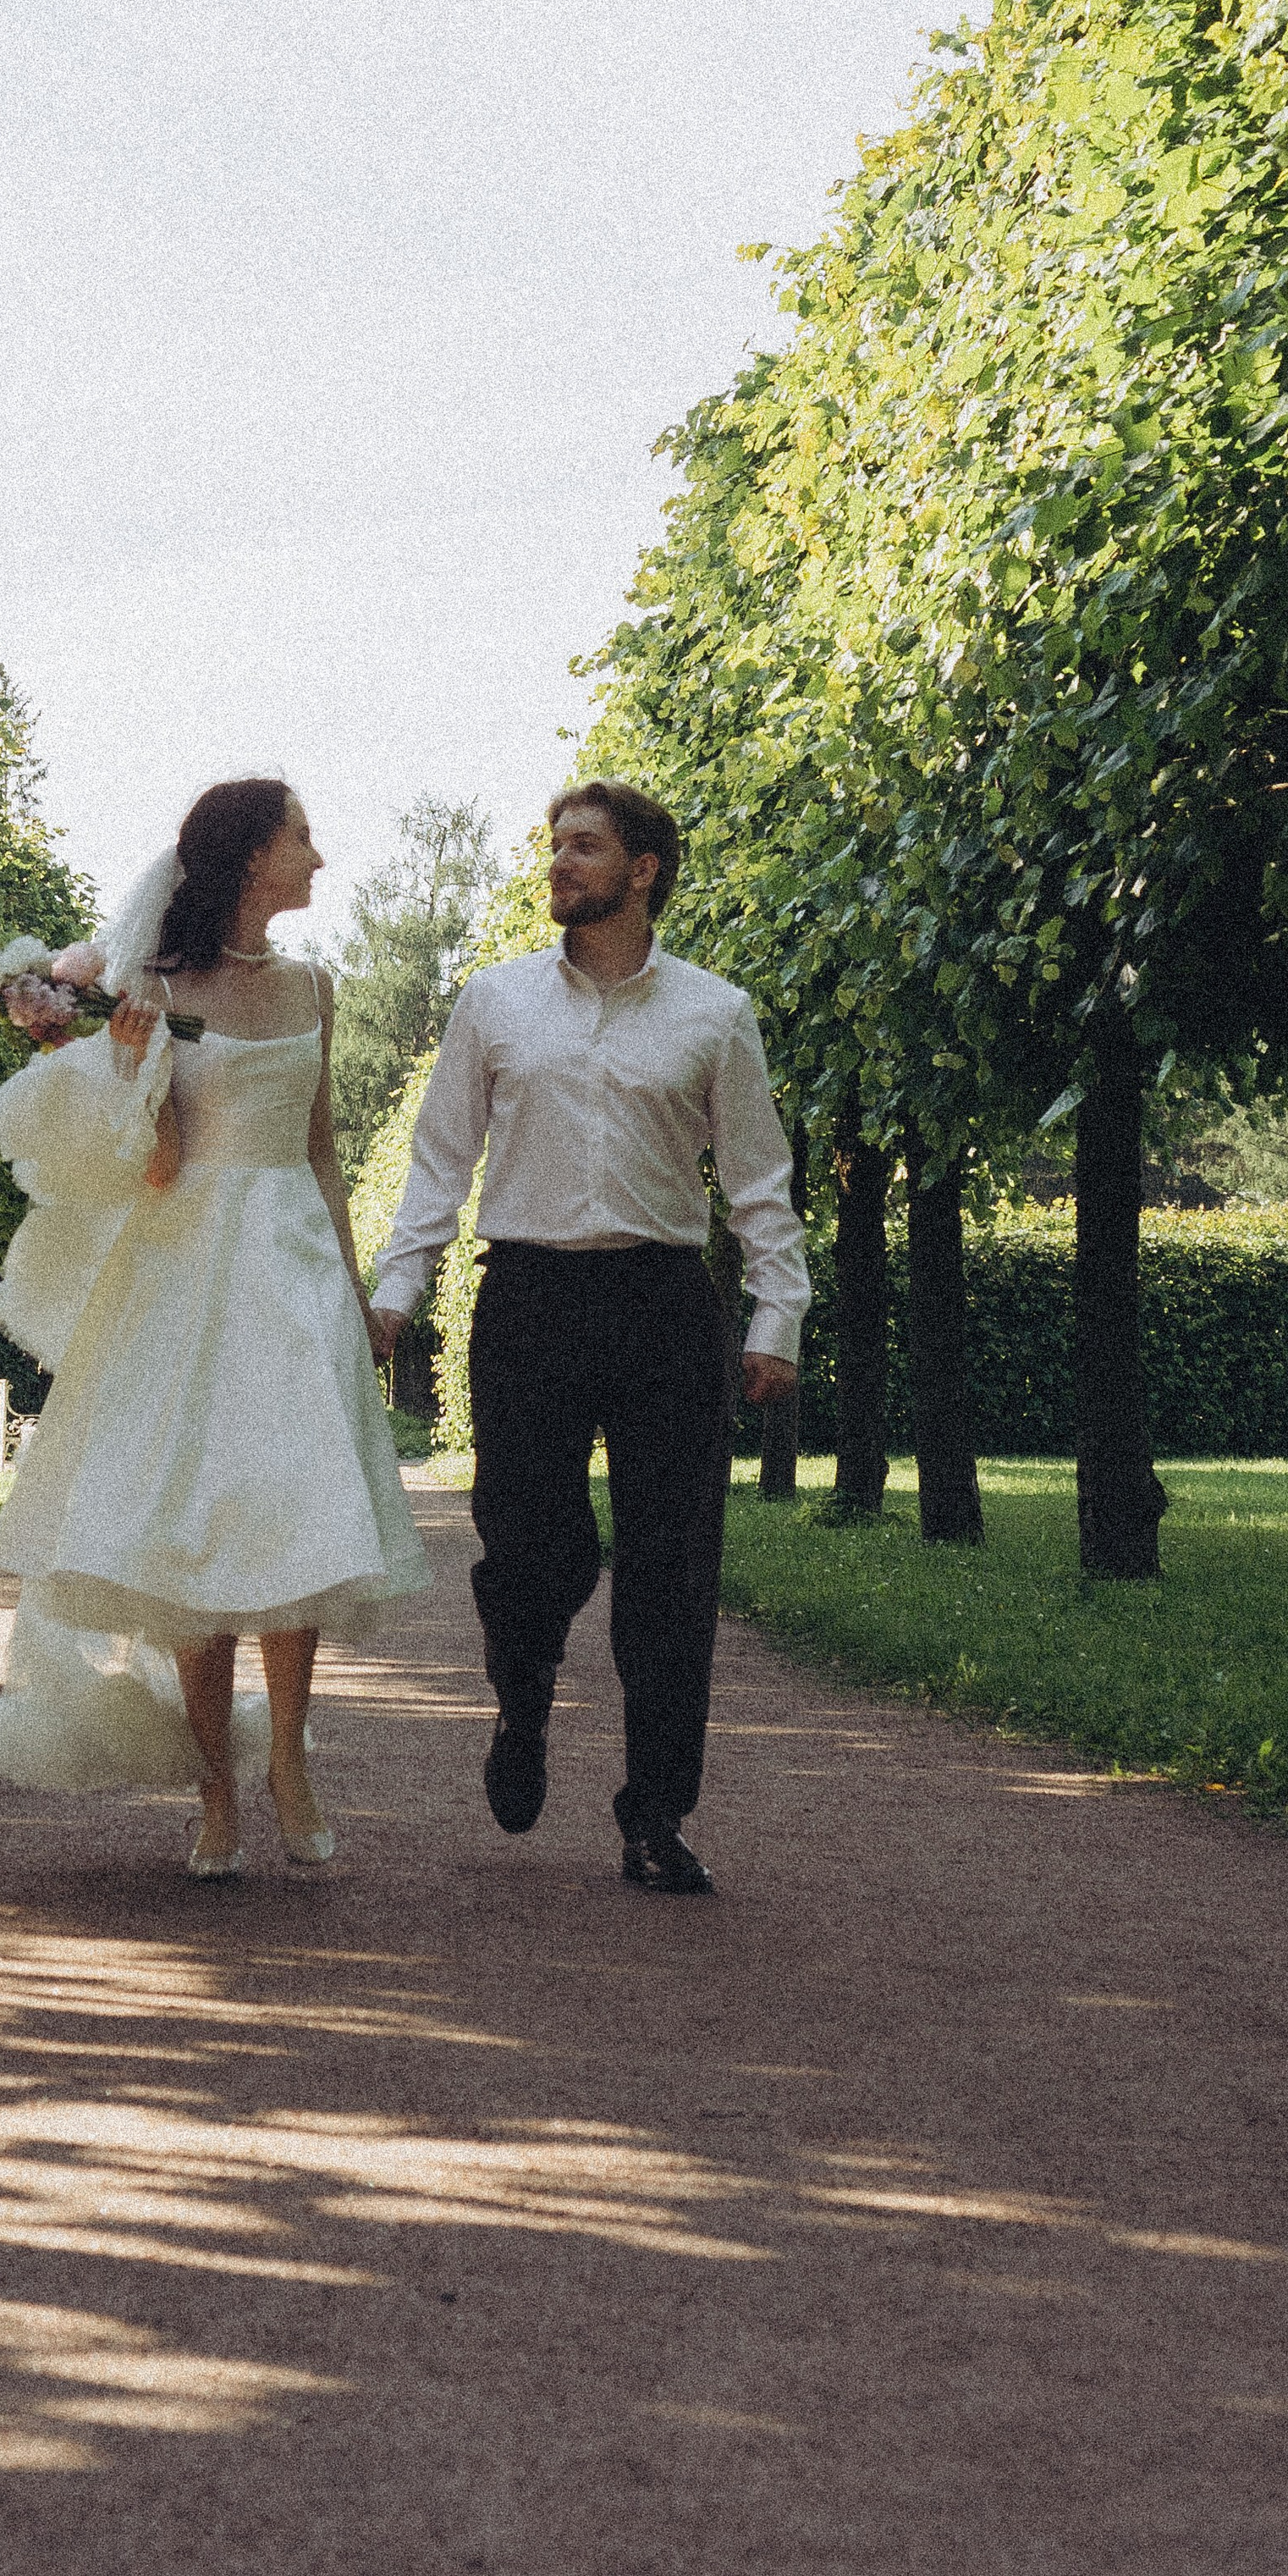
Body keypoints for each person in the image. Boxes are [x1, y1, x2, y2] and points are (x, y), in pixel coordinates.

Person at [0, 778, 428, 1877]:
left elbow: (319, 1149)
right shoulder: (155, 988)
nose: (319, 856)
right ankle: (217, 1787)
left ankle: (290, 1764)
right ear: (253, 854)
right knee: (192, 1528)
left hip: (296, 1275)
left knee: (300, 1508)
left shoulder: (314, 985)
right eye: (303, 837)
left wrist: (354, 1288)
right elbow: (161, 1164)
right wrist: (125, 1064)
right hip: (187, 1274)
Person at [370, 779, 808, 1896]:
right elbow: (439, 1160)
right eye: (554, 844)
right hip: (529, 1301)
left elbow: (758, 1177)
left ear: (642, 870)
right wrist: (395, 1294)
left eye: (584, 846)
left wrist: (778, 1317)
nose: (559, 863)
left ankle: (655, 1814)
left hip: (664, 1307)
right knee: (528, 1549)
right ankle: (522, 1706)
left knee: (673, 1568)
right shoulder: (495, 1003)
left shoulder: (716, 1013)